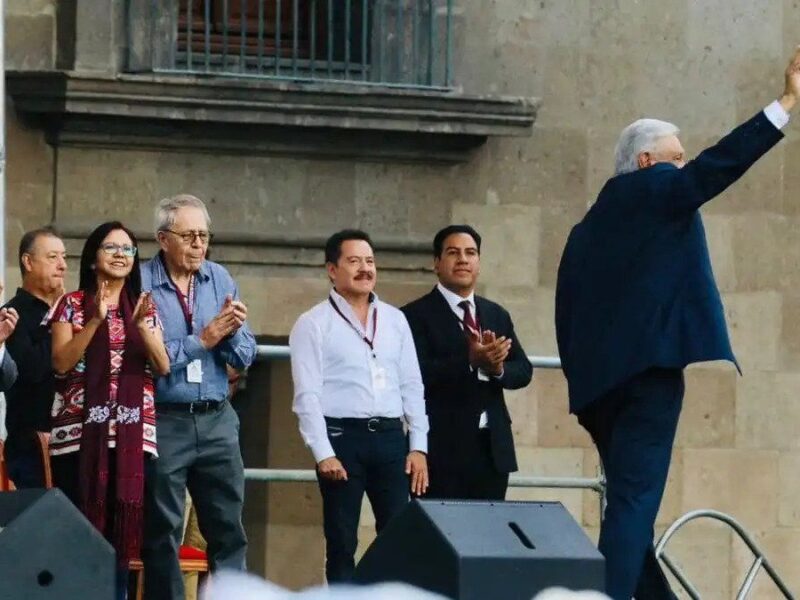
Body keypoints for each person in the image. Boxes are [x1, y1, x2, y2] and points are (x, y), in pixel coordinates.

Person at [554, 48, 800, 600]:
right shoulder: (657, 191)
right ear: (647, 163)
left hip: (599, 391)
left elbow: (565, 309)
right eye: (677, 157)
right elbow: (719, 166)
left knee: (628, 508)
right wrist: (785, 102)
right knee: (633, 507)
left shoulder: (586, 227)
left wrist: (583, 388)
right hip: (647, 381)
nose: (685, 166)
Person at [289, 229, 429, 583]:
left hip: (390, 439)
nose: (365, 269)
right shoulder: (312, 323)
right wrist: (323, 453)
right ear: (332, 270)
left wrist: (418, 447)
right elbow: (307, 396)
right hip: (342, 439)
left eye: (370, 261)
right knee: (341, 542)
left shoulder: (396, 320)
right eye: (354, 261)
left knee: (399, 539)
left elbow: (412, 385)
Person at [140, 194, 257, 600]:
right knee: (162, 532)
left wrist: (232, 332)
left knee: (228, 531)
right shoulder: (141, 284)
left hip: (217, 417)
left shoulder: (219, 279)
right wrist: (203, 338)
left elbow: (245, 355)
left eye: (203, 235)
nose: (198, 244)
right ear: (163, 239)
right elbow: (149, 359)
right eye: (188, 235)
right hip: (163, 416)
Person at [49, 221, 170, 599]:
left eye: (128, 249)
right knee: (80, 534)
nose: (120, 255)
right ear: (93, 258)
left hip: (134, 438)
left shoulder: (145, 306)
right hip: (79, 438)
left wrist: (142, 328)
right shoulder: (71, 304)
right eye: (111, 247)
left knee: (122, 541)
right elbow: (61, 363)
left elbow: (163, 366)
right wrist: (97, 320)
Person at [401, 225, 532, 500]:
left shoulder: (496, 314)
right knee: (440, 537)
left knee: (488, 536)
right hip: (441, 449)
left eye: (470, 253)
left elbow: (524, 370)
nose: (463, 259)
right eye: (453, 252)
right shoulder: (412, 316)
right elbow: (414, 376)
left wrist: (498, 369)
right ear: (437, 263)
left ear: (479, 263)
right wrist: (468, 361)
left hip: (492, 449)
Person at [3, 227, 66, 487]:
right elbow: (32, 370)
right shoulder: (10, 315)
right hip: (32, 447)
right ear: (28, 262)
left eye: (63, 257)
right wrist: (61, 320)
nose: (62, 265)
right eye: (52, 257)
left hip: (69, 442)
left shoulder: (67, 311)